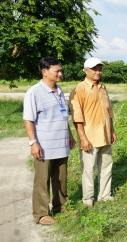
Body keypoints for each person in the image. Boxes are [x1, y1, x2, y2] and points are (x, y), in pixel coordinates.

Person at [23, 57, 76, 225]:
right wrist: (33, 143)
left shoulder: (59, 90)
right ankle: (41, 214)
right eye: (57, 71)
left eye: (61, 70)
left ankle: (60, 206)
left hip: (60, 144)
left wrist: (69, 135)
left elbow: (62, 116)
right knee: (42, 180)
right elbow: (28, 120)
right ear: (44, 72)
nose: (60, 73)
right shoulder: (34, 92)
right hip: (44, 146)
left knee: (60, 178)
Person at [69, 57, 117, 207]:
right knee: (88, 170)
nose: (98, 71)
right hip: (89, 137)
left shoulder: (103, 87)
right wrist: (82, 138)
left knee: (106, 166)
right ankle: (88, 199)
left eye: (99, 69)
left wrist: (112, 130)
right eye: (94, 69)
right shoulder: (79, 89)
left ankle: (104, 195)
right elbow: (77, 118)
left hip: (105, 135)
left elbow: (109, 112)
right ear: (85, 71)